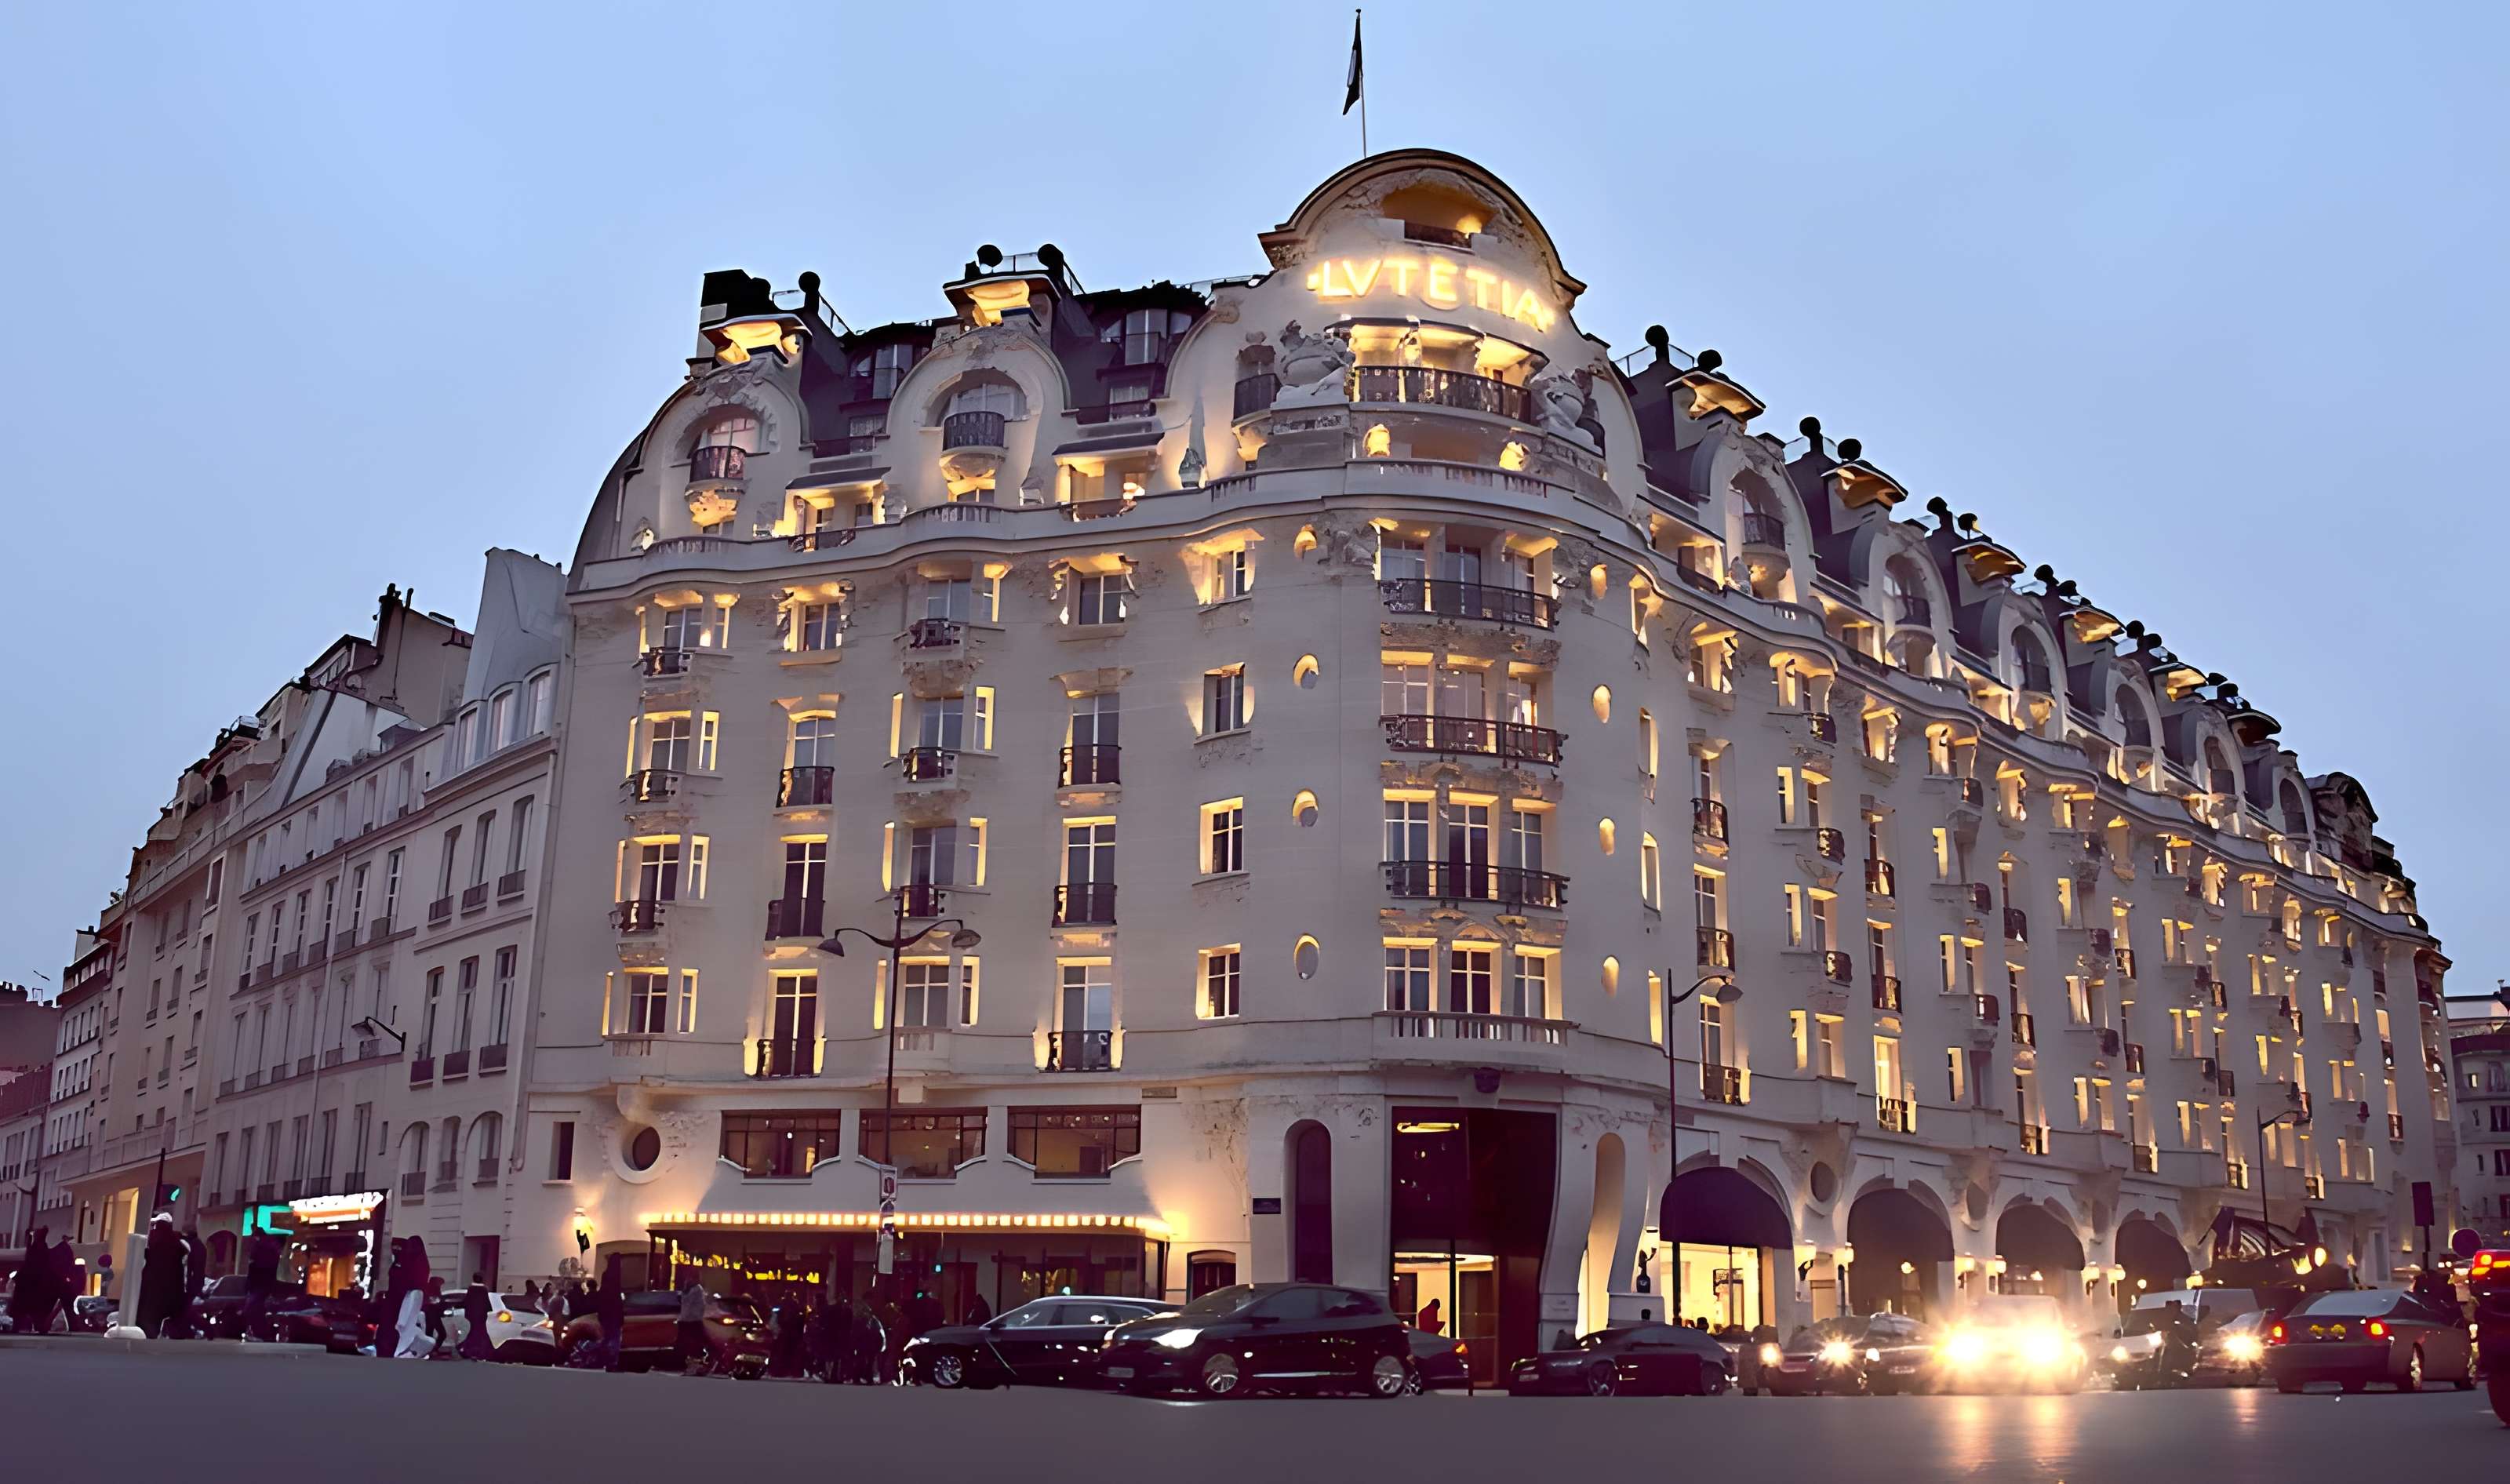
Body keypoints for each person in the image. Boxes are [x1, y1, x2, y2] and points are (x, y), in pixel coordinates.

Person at [136, 1213, 184, 1337]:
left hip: (154, 1285)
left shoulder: (156, 1239)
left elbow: (151, 1258)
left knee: (150, 1313)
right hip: (169, 1287)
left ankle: (150, 1333)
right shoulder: (176, 1242)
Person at [238, 1230, 282, 1342]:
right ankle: (262, 1333)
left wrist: (248, 1285)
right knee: (256, 1309)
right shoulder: (271, 1248)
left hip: (259, 1284)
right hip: (265, 1283)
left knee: (252, 1308)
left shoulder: (260, 1248)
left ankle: (261, 1333)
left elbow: (253, 1268)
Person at [176, 1226, 208, 1339]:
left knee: (186, 1309)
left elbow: (193, 1268)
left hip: (190, 1284)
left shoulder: (193, 1246)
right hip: (194, 1283)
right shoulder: (199, 1246)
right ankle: (188, 1330)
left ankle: (206, 1329)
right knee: (185, 1308)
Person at [675, 1275, 710, 1373]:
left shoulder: (696, 1290)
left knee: (695, 1343)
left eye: (689, 1279)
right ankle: (688, 1363)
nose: (687, 1282)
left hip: (693, 1320)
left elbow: (689, 1302)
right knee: (685, 1343)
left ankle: (696, 1363)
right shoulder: (688, 1290)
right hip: (686, 1320)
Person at [460, 1274, 493, 1361]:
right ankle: (483, 1353)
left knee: (471, 1334)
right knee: (481, 1334)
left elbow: (466, 1302)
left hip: (471, 1317)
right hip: (481, 1317)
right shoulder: (484, 1289)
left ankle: (469, 1352)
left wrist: (458, 1305)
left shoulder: (471, 1289)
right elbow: (487, 1304)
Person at [596, 1275, 626, 1371]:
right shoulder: (615, 1292)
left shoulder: (602, 1292)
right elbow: (619, 1307)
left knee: (606, 1338)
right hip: (614, 1318)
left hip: (605, 1318)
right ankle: (612, 1361)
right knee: (615, 1340)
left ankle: (601, 1358)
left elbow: (599, 1306)